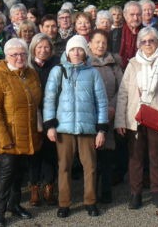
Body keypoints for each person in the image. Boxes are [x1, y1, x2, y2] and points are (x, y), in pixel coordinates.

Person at [115, 27, 158, 210]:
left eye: (151, 41)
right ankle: (135, 193)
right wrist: (120, 121)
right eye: (144, 41)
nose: (148, 44)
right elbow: (123, 93)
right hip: (135, 117)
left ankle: (156, 192)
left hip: (157, 117)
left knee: (156, 157)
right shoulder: (133, 63)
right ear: (139, 44)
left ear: (157, 42)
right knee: (135, 158)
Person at [43, 35, 108, 218]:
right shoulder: (58, 71)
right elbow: (49, 99)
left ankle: (90, 201)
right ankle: (64, 203)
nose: (76, 52)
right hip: (63, 129)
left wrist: (101, 129)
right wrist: (50, 125)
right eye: (73, 49)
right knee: (64, 166)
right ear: (67, 52)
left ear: (85, 52)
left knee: (90, 167)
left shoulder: (93, 72)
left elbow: (101, 102)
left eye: (79, 49)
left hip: (88, 129)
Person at [0, 38, 43, 227]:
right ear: (7, 56)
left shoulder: (31, 74)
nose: (19, 58)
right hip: (8, 136)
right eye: (14, 54)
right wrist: (3, 139)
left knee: (19, 173)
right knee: (6, 175)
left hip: (27, 134)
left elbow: (36, 104)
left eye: (23, 54)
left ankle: (15, 204)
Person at [88, 29, 124, 201]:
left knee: (107, 155)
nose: (100, 45)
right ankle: (91, 192)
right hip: (90, 115)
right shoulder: (84, 63)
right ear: (90, 44)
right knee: (91, 156)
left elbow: (122, 88)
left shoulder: (114, 63)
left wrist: (112, 107)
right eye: (97, 42)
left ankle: (106, 191)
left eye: (103, 42)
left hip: (110, 114)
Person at [27, 33, 60, 207]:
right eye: (39, 47)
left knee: (50, 154)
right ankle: (34, 189)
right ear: (33, 49)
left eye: (46, 47)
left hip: (52, 115)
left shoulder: (57, 65)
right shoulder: (28, 65)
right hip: (32, 115)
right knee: (34, 154)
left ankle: (49, 187)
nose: (43, 50)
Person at [118, 1, 143, 69]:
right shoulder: (115, 34)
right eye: (132, 15)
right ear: (125, 15)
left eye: (138, 14)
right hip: (119, 71)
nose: (135, 18)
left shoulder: (147, 33)